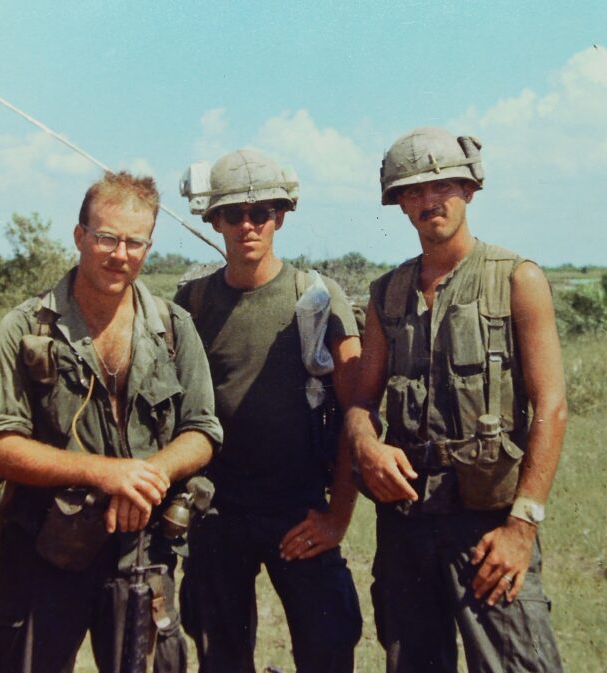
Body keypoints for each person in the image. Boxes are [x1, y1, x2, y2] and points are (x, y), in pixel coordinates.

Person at [0, 171, 222, 673]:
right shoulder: (24, 329)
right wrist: (108, 474)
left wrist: (146, 477)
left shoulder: (174, 329)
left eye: (135, 242)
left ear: (149, 246)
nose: (120, 254)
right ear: (80, 237)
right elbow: (1, 443)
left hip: (141, 549)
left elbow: (202, 430)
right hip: (45, 547)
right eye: (107, 238)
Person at [345, 127, 566, 672]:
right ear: (398, 203)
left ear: (468, 190)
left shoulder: (516, 278)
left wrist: (521, 527)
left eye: (441, 185)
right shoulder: (386, 294)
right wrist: (366, 447)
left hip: (487, 523)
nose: (428, 201)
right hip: (405, 519)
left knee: (517, 663)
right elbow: (359, 403)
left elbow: (552, 406)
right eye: (413, 192)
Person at [175, 149, 363, 673]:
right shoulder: (190, 303)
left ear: (281, 215)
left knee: (328, 644)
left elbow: (356, 413)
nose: (248, 225)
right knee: (219, 653)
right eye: (233, 214)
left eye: (261, 212)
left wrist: (337, 518)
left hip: (297, 508)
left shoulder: (318, 298)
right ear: (214, 219)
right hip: (218, 509)